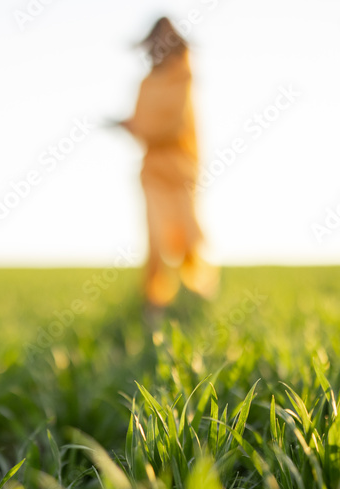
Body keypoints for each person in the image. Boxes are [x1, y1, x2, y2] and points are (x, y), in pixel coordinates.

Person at [117, 17, 219, 309]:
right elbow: (143, 126)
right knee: (156, 238)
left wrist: (138, 126)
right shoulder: (146, 84)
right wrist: (130, 126)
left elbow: (172, 125)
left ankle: (198, 288)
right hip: (152, 172)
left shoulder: (183, 76)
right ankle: (155, 300)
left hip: (182, 167)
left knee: (188, 235)